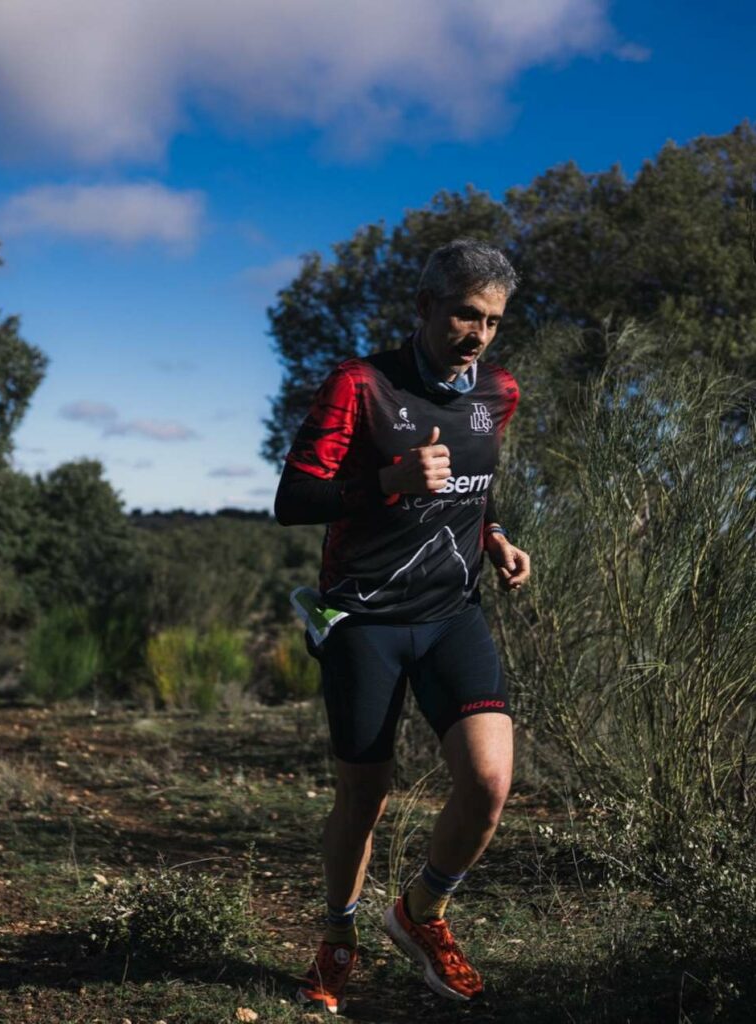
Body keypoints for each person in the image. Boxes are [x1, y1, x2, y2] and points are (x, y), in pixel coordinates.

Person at [274, 238, 531, 1013]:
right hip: (363, 617)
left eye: (490, 320)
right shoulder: (360, 385)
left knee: (488, 783)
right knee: (365, 796)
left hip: (452, 612)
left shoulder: (499, 392)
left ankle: (419, 914)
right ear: (423, 307)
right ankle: (338, 937)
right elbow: (293, 501)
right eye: (462, 313)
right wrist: (386, 479)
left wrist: (494, 537)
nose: (476, 333)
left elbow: (472, 489)